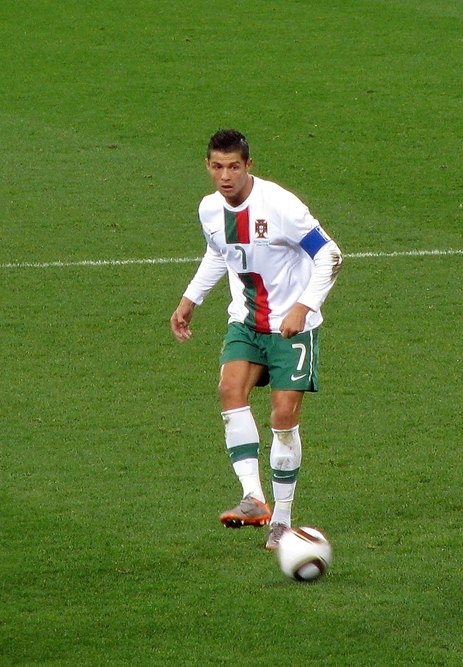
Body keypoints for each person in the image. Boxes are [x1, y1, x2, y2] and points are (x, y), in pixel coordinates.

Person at [170, 129, 343, 550]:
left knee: (283, 417)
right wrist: (191, 299)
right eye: (217, 167)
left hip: (292, 327)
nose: (225, 176)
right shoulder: (210, 209)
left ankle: (281, 519)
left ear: (249, 165)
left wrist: (303, 307)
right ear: (207, 167)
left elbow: (330, 254)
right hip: (246, 322)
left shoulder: (281, 206)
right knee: (229, 389)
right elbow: (219, 252)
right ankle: (253, 497)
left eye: (233, 166)